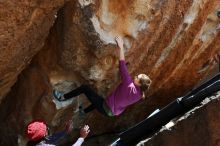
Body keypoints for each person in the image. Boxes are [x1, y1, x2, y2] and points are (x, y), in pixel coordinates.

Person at [53, 36, 152, 117]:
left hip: (106, 107)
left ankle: (62, 97)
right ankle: (83, 112)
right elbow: (126, 80)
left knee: (85, 89)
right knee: (98, 98)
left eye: (138, 77)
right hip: (113, 111)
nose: (136, 75)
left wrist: (121, 47)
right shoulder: (139, 95)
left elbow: (121, 65)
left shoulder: (129, 85)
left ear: (139, 83)